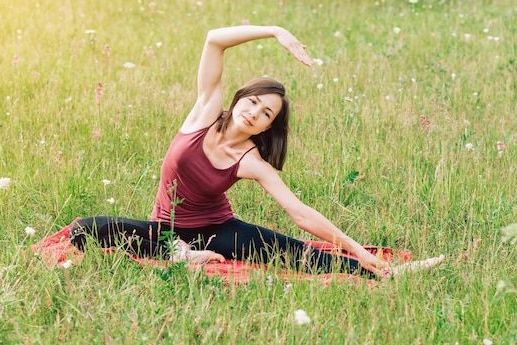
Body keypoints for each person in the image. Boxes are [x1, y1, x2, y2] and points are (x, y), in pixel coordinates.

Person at [70, 25, 444, 278]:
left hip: (219, 231)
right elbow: (215, 39)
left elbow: (299, 212)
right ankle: (179, 252)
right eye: (253, 102)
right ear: (239, 100)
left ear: (268, 127)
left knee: (303, 255)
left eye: (266, 114)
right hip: (165, 232)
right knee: (84, 229)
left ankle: (386, 269)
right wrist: (275, 31)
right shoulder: (204, 113)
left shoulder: (250, 160)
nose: (254, 113)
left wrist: (356, 249)